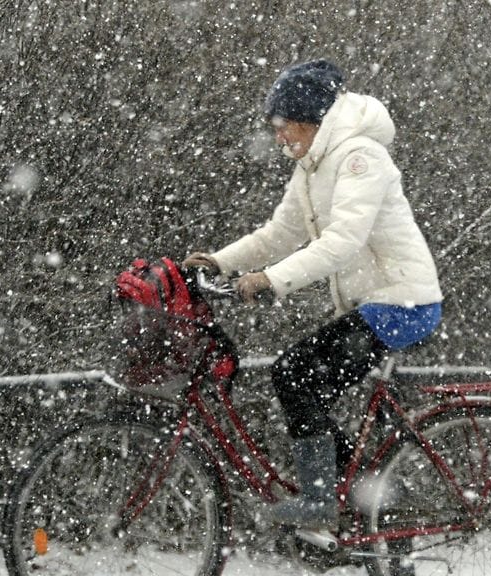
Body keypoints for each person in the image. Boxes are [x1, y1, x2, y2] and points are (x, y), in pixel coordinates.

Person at [184, 59, 443, 530]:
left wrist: (269, 279)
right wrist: (221, 261)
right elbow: (279, 232)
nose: (278, 137)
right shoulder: (311, 165)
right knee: (300, 380)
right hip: (379, 304)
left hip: (404, 302)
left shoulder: (359, 157)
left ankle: (325, 499)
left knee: (294, 374)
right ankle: (369, 493)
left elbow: (342, 241)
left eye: (283, 127)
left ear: (309, 119)